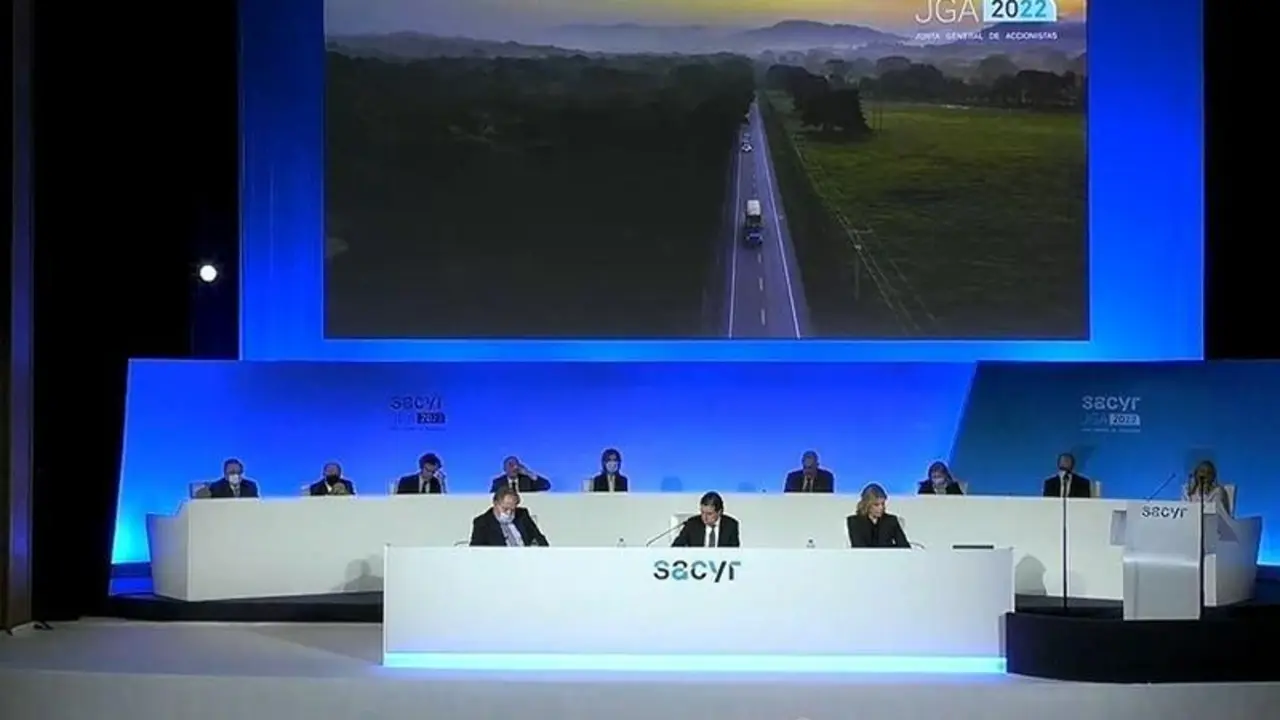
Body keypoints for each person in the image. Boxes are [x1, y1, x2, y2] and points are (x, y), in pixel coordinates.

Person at [469, 486, 549, 546]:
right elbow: (476, 551)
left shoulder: (522, 515)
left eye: (513, 509)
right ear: (495, 504)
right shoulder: (482, 523)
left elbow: (540, 539)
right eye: (505, 509)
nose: (509, 513)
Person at [847, 483, 910, 548]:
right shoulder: (854, 522)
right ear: (867, 505)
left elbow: (905, 547)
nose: (881, 507)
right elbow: (858, 547)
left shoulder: (891, 521)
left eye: (883, 504)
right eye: (876, 505)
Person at [672, 492, 740, 547]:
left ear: (719, 512)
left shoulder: (731, 525)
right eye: (702, 512)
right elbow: (675, 547)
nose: (704, 517)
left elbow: (734, 552)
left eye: (709, 514)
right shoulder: (691, 524)